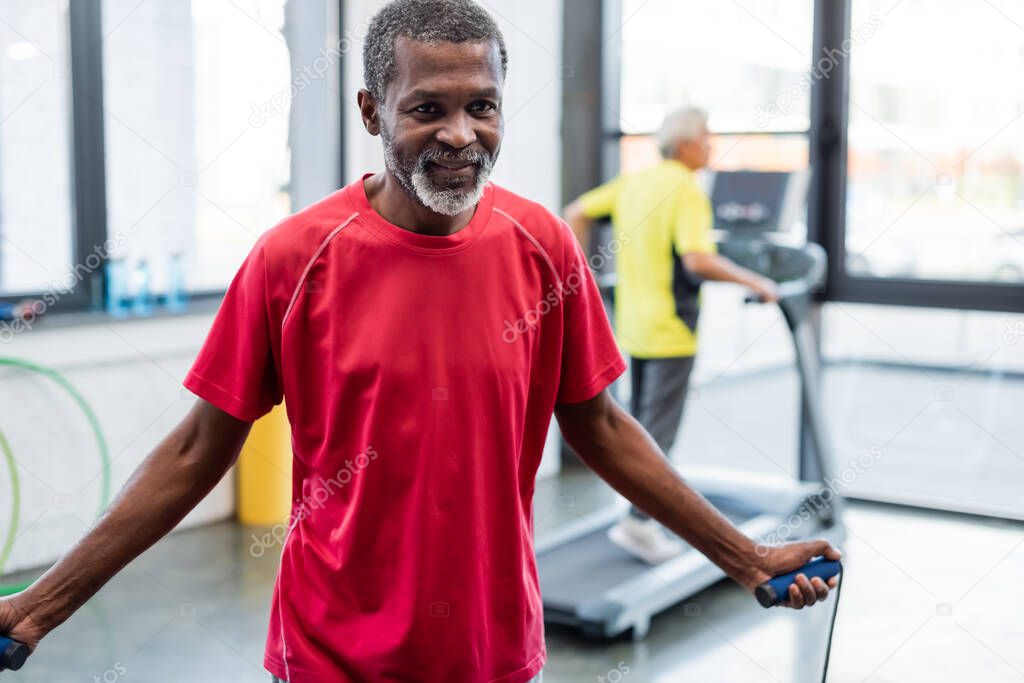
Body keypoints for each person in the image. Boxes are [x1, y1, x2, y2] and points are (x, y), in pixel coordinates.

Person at [0, 3, 838, 682]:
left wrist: (744, 555)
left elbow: (604, 426)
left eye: (483, 106)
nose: (461, 134)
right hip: (330, 655)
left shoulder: (542, 246)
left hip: (493, 649)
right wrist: (39, 607)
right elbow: (194, 453)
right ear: (372, 110)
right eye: (427, 109)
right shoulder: (294, 259)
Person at [564, 108, 782, 565]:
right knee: (658, 433)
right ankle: (639, 524)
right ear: (684, 144)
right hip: (671, 330)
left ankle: (638, 517)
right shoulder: (686, 188)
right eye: (706, 136)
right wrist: (755, 282)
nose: (711, 145)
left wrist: (578, 279)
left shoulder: (636, 182)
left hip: (634, 326)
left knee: (638, 426)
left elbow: (576, 213)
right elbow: (697, 261)